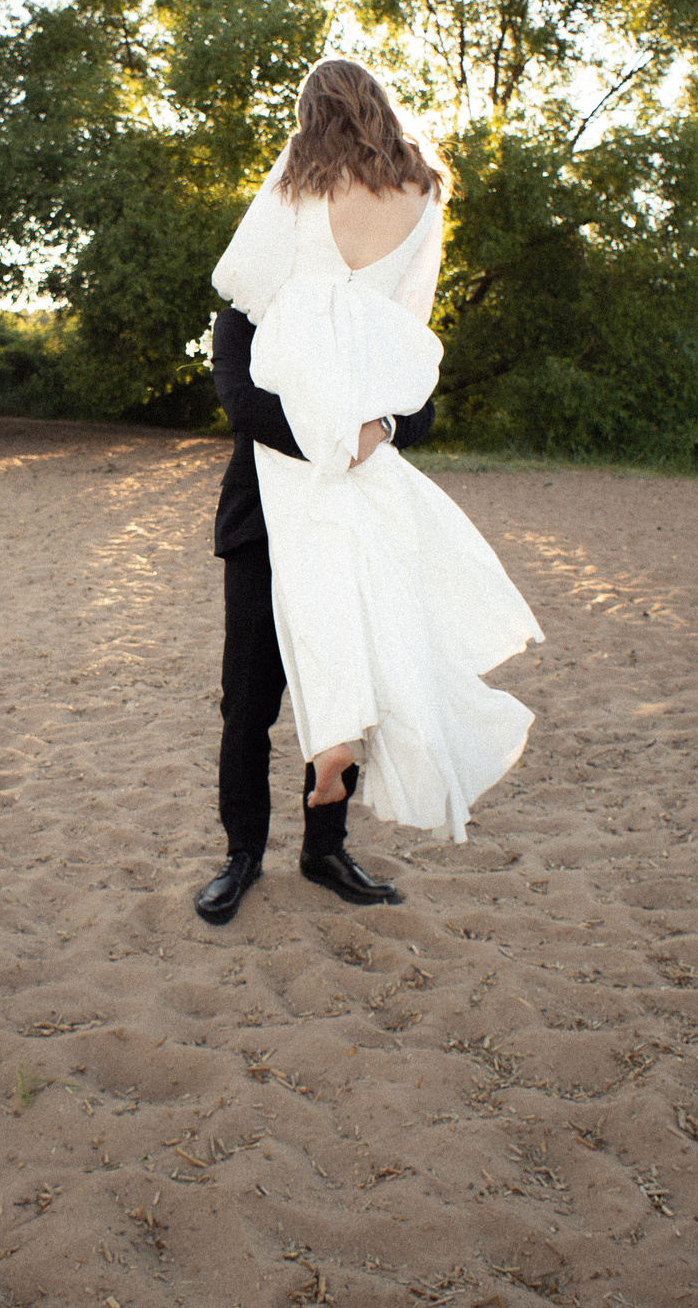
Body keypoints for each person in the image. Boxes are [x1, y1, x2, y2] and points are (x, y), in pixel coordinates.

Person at [193, 58, 542, 926]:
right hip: (267, 506)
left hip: (355, 496)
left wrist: (375, 433)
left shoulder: (382, 252)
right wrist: (325, 445)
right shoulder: (258, 293)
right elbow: (236, 390)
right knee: (251, 694)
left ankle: (325, 849)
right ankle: (241, 854)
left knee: (345, 671)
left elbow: (412, 398)